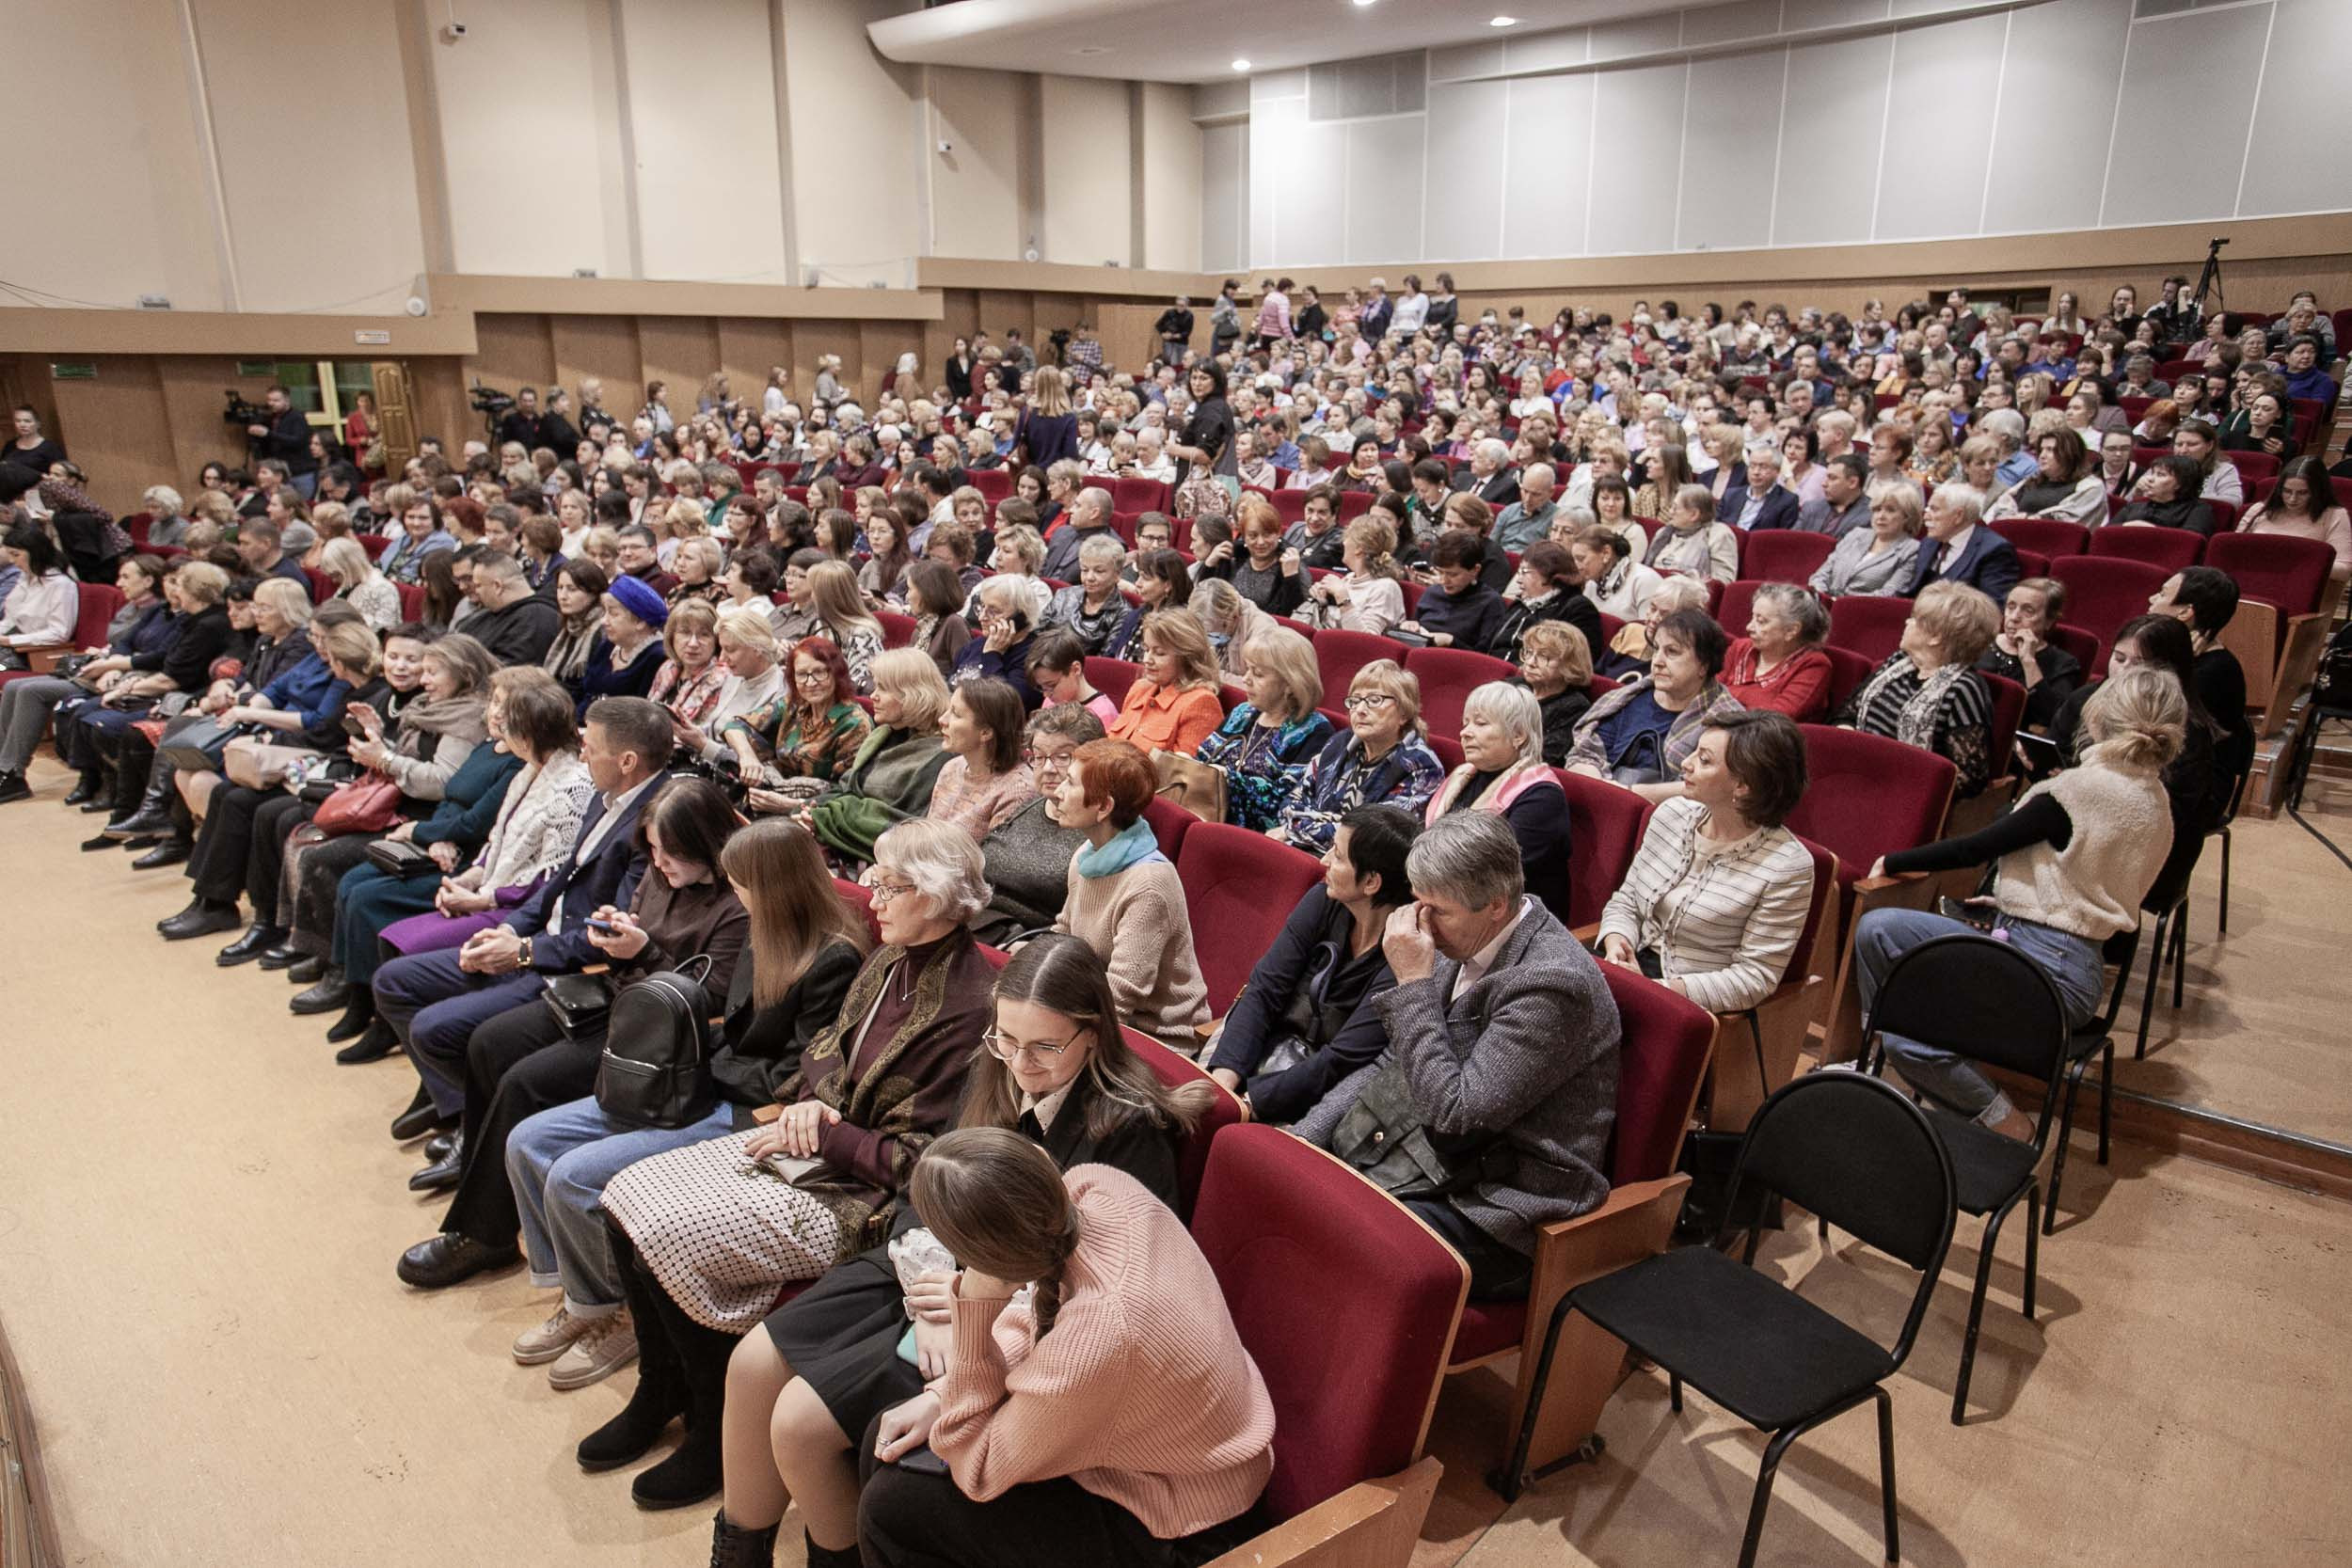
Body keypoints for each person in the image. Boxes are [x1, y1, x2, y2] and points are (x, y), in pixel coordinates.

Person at [730, 937, 1212, 1568]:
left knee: (800, 1423)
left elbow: (1089, 1291)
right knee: (752, 1361)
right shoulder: (994, 1069)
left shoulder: (1128, 1130)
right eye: (1005, 1039)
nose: (1020, 1063)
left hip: (1008, 1313)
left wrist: (959, 1306)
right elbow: (932, 1183)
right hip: (927, 1266)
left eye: (1044, 1045)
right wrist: (928, 1278)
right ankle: (739, 1546)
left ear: (1093, 1035)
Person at [582, 817, 995, 1508]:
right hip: (815, 1147)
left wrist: (826, 1130)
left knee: (668, 1228)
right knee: (624, 1193)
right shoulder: (890, 958)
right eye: (876, 880)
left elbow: (927, 1164)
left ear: (939, 897)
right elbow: (825, 1047)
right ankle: (662, 1387)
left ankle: (713, 1424)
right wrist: (812, 1106)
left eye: (891, 885)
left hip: (866, 1196)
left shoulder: (968, 1003)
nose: (874, 898)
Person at [848, 1126, 1273, 1568]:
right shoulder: (1093, 1186)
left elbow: (978, 1467)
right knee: (886, 1436)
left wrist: (974, 1307)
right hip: (1160, 1435)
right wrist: (941, 1395)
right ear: (1041, 1161)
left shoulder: (1096, 1339)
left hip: (1189, 1511)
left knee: (892, 1509)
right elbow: (1035, 1317)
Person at [394, 771, 749, 1245]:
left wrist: (641, 951)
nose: (660, 863)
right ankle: (479, 1160)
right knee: (488, 1042)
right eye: (654, 850)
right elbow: (636, 925)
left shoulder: (736, 905)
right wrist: (617, 929)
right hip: (614, 995)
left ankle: (482, 1234)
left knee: (524, 1082)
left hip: (660, 1034)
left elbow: (711, 1000)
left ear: (705, 842)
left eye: (671, 852)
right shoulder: (660, 872)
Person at [1295, 811, 1621, 1299]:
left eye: (1436, 911)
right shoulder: (1462, 932)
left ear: (1495, 905)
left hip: (1502, 1206)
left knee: (1329, 1238)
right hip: (1420, 1154)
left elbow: (1456, 1115)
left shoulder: (1552, 985)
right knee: (1282, 1185)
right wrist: (1301, 1142)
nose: (1420, 925)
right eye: (1417, 904)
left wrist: (1412, 984)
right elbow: (1392, 1065)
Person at [1852, 669, 2185, 1137]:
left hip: (2044, 969)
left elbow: (1976, 847)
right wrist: (2023, 899)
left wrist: (1893, 859)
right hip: (2072, 963)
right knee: (1880, 928)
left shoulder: (2078, 790)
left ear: (2099, 718)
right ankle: (1874, 1055)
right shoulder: (2156, 800)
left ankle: (2007, 1122)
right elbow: (2097, 878)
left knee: (1914, 1042)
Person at [369, 696, 675, 1135]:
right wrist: (508, 928)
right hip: (534, 940)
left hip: (572, 968)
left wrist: (525, 952)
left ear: (627, 760)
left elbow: (613, 929)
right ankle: (459, 1109)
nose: (582, 751)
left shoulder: (656, 822)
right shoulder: (604, 796)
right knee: (394, 982)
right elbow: (559, 883)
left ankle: (473, 1125)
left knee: (438, 1029)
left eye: (591, 744)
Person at [307, 668, 591, 1047]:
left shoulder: (569, 784)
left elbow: (550, 876)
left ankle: (412, 1034)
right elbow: (496, 841)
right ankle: (382, 1018)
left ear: (528, 728)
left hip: (514, 908)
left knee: (392, 933)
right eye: (494, 705)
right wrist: (469, 879)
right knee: (370, 906)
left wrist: (481, 895)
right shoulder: (525, 769)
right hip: (485, 883)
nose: (495, 718)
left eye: (505, 711)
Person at [1207, 802, 1420, 1125]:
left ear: (1371, 882)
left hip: (1324, 1095)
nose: (1324, 862)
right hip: (1261, 1046)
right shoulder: (1323, 899)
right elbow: (1265, 989)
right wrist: (1224, 1083)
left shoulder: (1404, 950)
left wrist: (1249, 1104)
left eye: (1337, 855)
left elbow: (1344, 1059)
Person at [1597, 710, 1815, 1011]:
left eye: (1704, 760)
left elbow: (1755, 978)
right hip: (1627, 966)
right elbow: (1628, 901)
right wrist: (1616, 940)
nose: (1686, 764)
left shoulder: (1787, 866)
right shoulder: (1671, 814)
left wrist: (1654, 989)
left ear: (1743, 785)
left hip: (1688, 1000)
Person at [1048, 739, 1212, 1048]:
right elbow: (1065, 936)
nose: (1057, 792)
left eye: (1070, 783)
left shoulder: (1149, 884)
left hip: (1155, 1036)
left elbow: (1120, 999)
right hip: (1088, 1007)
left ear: (1104, 807)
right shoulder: (1086, 856)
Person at [0, 553, 172, 802]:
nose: (119, 582)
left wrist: (112, 661)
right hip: (99, 668)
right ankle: (4, 767)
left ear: (148, 581)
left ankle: (14, 773)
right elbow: (122, 643)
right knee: (15, 686)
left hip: (123, 679)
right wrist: (105, 654)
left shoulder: (158, 612)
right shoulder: (130, 607)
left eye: (126, 576)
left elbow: (152, 654)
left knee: (30, 691)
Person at [1424, 681, 1571, 920]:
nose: (1465, 732)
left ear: (1518, 736)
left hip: (1509, 922)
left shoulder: (1542, 797)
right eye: (1466, 723)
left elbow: (1492, 874)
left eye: (1480, 724)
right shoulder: (1464, 776)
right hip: (1450, 901)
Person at [1839, 580, 2002, 797]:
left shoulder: (1964, 689)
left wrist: (1893, 772)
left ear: (1936, 637)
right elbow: (1848, 712)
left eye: (1915, 619)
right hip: (1853, 771)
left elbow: (1969, 778)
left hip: (1901, 794)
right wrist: (1846, 739)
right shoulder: (1899, 662)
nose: (1907, 621)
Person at [1269, 658, 1447, 854]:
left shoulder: (1420, 765)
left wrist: (1296, 829)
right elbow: (1291, 801)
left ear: (1404, 712)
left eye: (1374, 700)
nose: (1360, 710)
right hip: (1306, 850)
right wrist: (1323, 824)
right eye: (1354, 701)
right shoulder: (1338, 744)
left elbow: (1373, 835)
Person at [1567, 607, 1744, 798]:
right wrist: (1604, 789)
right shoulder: (1627, 699)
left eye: (1672, 652)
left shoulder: (1728, 720)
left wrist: (1630, 794)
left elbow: (1708, 785)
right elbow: (1584, 753)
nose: (1657, 661)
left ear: (1704, 665)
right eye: (1656, 649)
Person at [803, 648, 953, 864]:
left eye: (883, 688)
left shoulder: (941, 756)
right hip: (842, 835)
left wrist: (827, 816)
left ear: (913, 694)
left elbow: (907, 827)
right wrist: (811, 810)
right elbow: (847, 788)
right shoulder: (884, 734)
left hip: (882, 858)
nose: (873, 695)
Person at [970, 705, 1103, 944]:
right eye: (1039, 757)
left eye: (1063, 757)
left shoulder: (1100, 825)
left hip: (1026, 943)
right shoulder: (1033, 803)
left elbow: (1086, 926)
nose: (1048, 769)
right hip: (978, 920)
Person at [1192, 626, 1331, 832]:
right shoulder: (1243, 713)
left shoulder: (1314, 732)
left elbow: (1285, 805)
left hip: (1253, 836)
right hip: (1206, 818)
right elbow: (1202, 761)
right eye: (1247, 669)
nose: (1246, 679)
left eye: (1258, 674)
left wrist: (1226, 778)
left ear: (1290, 683)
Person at [2148, 565, 2254, 781]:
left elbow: (2156, 723)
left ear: (2185, 612)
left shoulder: (2214, 671)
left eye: (2162, 594)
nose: (2151, 599)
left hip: (2192, 782)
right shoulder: (2168, 652)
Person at [927, 678, 1035, 845]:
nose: (942, 719)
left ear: (985, 732)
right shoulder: (951, 767)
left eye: (956, 713)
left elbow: (995, 863)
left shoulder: (1018, 790)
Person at [1106, 610, 1225, 756]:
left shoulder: (1201, 702)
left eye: (1159, 653)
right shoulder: (1140, 688)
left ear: (1186, 656)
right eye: (1146, 649)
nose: (1146, 659)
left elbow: (1180, 775)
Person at [1979, 578, 2084, 733]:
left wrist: (2029, 661)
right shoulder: (1980, 643)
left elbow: (2052, 718)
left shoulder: (2063, 663)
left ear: (2049, 621)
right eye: (2011, 607)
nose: (2014, 617)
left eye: (2028, 611)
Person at [1722, 582, 1833, 721]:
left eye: (1761, 621)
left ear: (1791, 631)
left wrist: (1722, 704)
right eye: (1752, 617)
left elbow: (1771, 720)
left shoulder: (1813, 665)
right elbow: (1704, 695)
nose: (1749, 627)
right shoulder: (1740, 648)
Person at [2236, 458, 2351, 585]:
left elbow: (2344, 570)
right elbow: (2236, 552)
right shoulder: (2259, 510)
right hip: (2253, 580)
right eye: (2287, 491)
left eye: (2303, 493)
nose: (2292, 499)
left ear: (2317, 491)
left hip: (2301, 586)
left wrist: (2295, 564)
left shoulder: (2335, 515)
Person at [1906, 482, 2021, 604]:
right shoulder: (1929, 542)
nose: (1926, 517)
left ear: (1958, 516)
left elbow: (1990, 609)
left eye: (1934, 510)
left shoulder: (1995, 550)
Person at [1497, 538, 1604, 666]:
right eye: (1519, 572)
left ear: (1550, 574)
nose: (1519, 580)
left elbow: (1575, 664)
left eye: (1525, 572)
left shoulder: (1578, 609)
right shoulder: (1520, 604)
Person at [949, 575, 1048, 712]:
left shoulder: (1035, 656)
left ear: (1021, 617)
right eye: (982, 607)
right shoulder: (974, 646)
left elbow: (1006, 707)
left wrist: (992, 655)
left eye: (993, 611)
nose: (982, 617)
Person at [579, 575, 670, 716]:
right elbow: (585, 692)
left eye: (613, 614)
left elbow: (641, 714)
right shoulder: (608, 645)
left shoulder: (657, 656)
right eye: (605, 612)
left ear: (640, 622)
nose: (604, 621)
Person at [1399, 531, 1504, 652]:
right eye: (1440, 572)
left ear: (1475, 570)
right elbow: (1416, 623)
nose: (1444, 580)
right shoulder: (1432, 592)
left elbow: (1486, 657)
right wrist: (1410, 626)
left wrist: (1451, 641)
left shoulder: (1490, 603)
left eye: (1453, 574)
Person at [1509, 620, 1595, 765]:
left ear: (1570, 664)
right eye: (1529, 652)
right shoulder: (1512, 686)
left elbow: (1544, 758)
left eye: (1544, 657)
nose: (1530, 662)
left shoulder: (1574, 708)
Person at [1986, 428, 2108, 526]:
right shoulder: (2031, 481)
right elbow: (2001, 506)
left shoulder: (2091, 487)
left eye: (2050, 450)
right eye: (2041, 450)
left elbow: (2067, 521)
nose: (2042, 456)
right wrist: (2010, 518)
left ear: (2069, 454)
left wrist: (2023, 519)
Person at [1040, 533, 1129, 656]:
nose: (1089, 577)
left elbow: (1104, 659)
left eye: (1099, 571)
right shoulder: (1064, 595)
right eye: (1085, 570)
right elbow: (1037, 634)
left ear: (1117, 574)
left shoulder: (1123, 614)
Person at [2117, 453, 2219, 537]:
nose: (2150, 479)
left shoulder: (2198, 510)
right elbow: (2104, 533)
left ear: (2180, 483)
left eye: (2160, 475)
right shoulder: (2135, 505)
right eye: (2152, 473)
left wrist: (2149, 530)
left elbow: (2190, 543)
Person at [1574, 523, 1662, 621]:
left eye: (1581, 559)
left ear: (1606, 553)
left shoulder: (1644, 581)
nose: (1577, 566)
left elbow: (1647, 630)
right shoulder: (1591, 583)